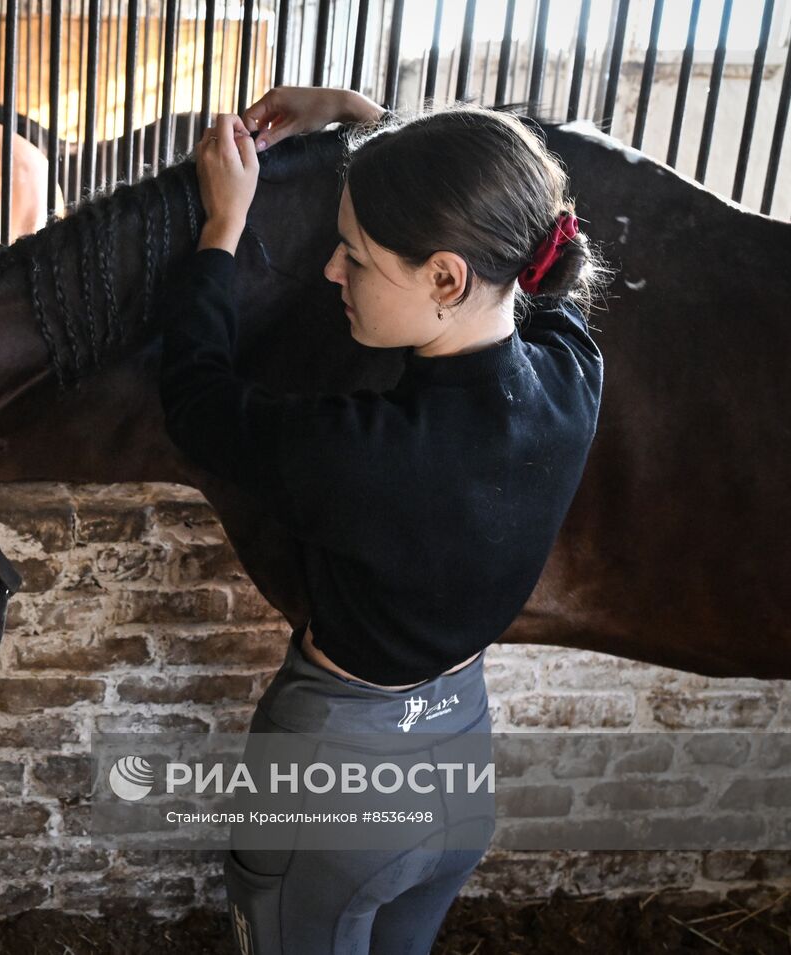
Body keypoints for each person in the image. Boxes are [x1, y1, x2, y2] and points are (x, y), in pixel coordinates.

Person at [158, 86, 608, 954]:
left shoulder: (358, 454)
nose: (333, 270)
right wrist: (360, 115)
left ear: (445, 277)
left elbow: (196, 401)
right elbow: (505, 225)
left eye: (356, 256)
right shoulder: (573, 373)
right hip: (460, 765)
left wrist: (222, 226)